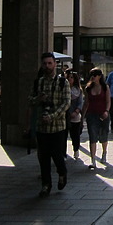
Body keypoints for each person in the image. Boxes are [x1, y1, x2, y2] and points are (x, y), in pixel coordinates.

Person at [29, 52, 71, 197]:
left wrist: (52, 116)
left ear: (55, 64)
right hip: (42, 126)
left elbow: (66, 103)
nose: (47, 66)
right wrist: (38, 99)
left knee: (57, 154)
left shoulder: (62, 82)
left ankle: (62, 172)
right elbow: (30, 100)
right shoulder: (38, 82)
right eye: (45, 63)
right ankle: (46, 184)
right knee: (43, 156)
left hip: (57, 126)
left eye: (49, 63)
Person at [82, 68, 110, 170]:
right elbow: (86, 103)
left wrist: (106, 111)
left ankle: (104, 153)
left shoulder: (105, 87)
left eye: (95, 75)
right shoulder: (88, 88)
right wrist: (82, 117)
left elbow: (108, 101)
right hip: (91, 115)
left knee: (103, 136)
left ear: (99, 76)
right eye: (91, 75)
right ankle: (93, 160)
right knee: (92, 136)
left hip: (103, 114)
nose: (93, 77)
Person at [67, 71, 84, 160]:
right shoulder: (64, 89)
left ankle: (76, 149)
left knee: (75, 135)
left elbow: (80, 103)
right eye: (69, 77)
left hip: (75, 116)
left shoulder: (78, 90)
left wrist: (76, 111)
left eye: (72, 77)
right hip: (65, 115)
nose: (70, 79)